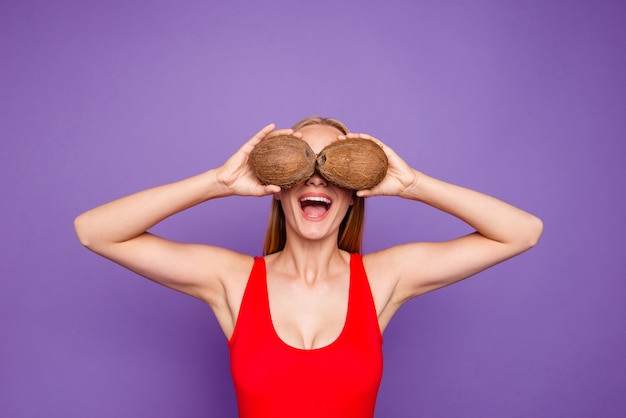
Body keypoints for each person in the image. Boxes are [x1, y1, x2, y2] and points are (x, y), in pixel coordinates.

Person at [74, 116, 543, 418]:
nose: (316, 177)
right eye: (300, 165)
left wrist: (414, 183)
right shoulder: (234, 281)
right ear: (278, 186)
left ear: (354, 188)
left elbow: (521, 231)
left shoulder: (382, 278)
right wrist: (217, 182)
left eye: (334, 166)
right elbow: (95, 230)